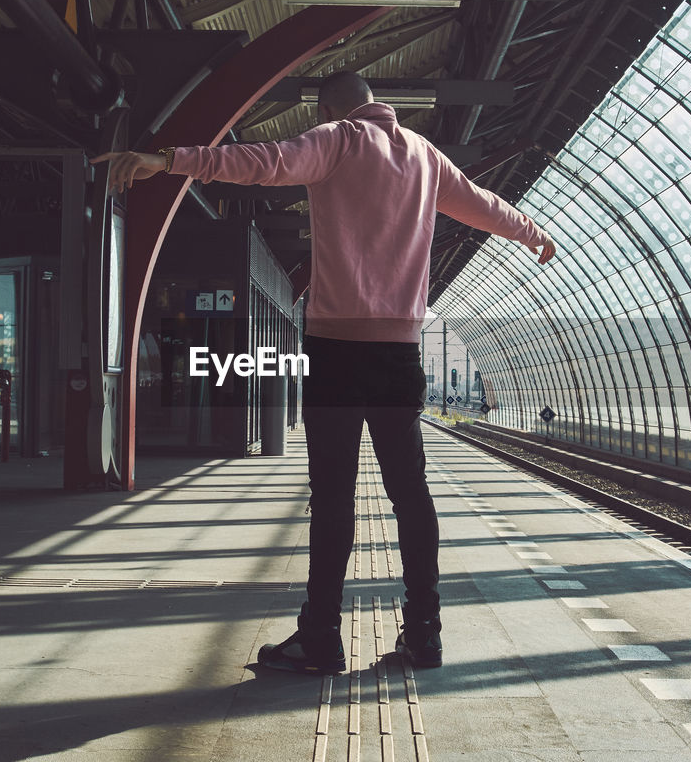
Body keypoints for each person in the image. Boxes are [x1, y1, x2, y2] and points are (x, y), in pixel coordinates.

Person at [92, 71, 555, 674]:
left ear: (327, 106)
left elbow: (261, 162)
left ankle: (320, 639)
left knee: (333, 500)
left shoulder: (336, 139)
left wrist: (167, 160)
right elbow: (483, 206)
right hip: (399, 355)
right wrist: (533, 232)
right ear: (376, 103)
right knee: (411, 497)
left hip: (338, 351)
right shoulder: (424, 155)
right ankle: (425, 635)